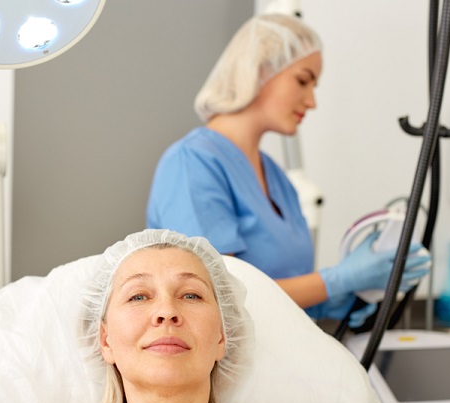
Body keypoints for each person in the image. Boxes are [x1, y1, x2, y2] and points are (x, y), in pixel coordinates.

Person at [6, 229, 343, 403]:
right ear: (105, 341)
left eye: (191, 295)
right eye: (138, 296)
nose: (166, 312)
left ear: (222, 337)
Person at [146, 13, 430, 327]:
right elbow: (221, 297)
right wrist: (337, 279)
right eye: (302, 81)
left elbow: (278, 291)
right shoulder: (192, 163)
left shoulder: (277, 178)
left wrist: (336, 297)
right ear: (258, 70)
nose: (312, 101)